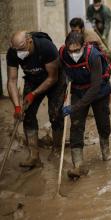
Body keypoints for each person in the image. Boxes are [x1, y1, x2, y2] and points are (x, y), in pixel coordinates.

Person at [7, 31, 65, 166]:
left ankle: (56, 149)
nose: (19, 52)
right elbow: (11, 81)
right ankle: (34, 156)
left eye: (21, 49)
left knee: (56, 114)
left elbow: (52, 78)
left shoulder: (46, 47)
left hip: (54, 80)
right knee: (27, 114)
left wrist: (33, 94)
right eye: (16, 50)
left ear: (29, 41)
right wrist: (17, 106)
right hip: (33, 80)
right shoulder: (13, 52)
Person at [59, 32, 111, 178]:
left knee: (103, 123)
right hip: (78, 89)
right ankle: (78, 164)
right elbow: (63, 72)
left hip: (98, 91)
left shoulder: (94, 56)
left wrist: (75, 107)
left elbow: (95, 87)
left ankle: (105, 150)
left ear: (83, 46)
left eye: (77, 51)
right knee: (76, 124)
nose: (73, 54)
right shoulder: (63, 53)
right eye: (71, 51)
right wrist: (64, 96)